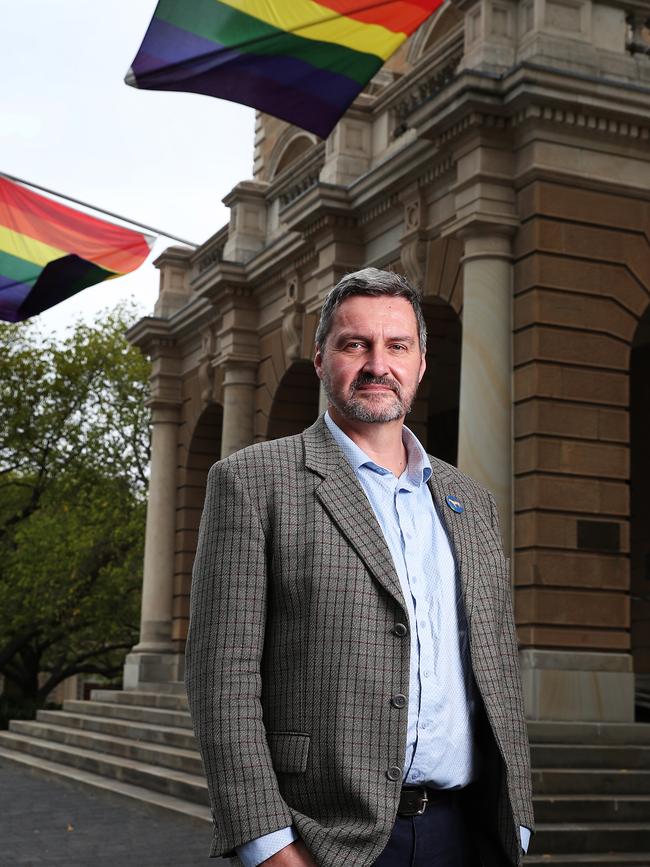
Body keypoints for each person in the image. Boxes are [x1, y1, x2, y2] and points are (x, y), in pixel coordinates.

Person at [186, 268, 534, 867]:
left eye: (397, 345)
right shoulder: (252, 482)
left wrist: (518, 820)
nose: (379, 364)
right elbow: (223, 677)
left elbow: (496, 664)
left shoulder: (468, 500)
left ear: (421, 362)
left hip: (469, 833)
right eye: (356, 344)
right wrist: (267, 846)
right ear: (321, 359)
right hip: (324, 838)